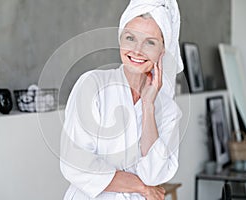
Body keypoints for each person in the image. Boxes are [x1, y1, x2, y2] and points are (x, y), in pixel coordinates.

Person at [60, 0, 183, 199]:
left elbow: (153, 176)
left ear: (162, 51)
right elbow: (75, 163)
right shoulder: (92, 86)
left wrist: (148, 105)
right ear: (120, 40)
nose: (137, 50)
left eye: (150, 42)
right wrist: (140, 187)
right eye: (130, 38)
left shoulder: (167, 110)